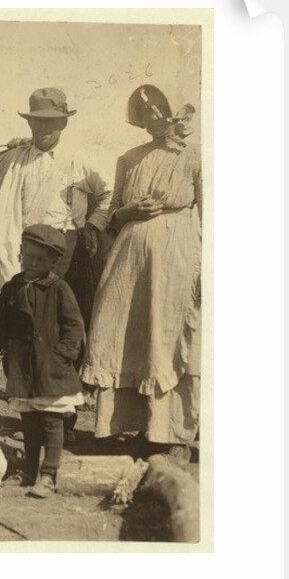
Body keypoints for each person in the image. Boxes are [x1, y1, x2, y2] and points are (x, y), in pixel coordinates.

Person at [81, 85, 201, 462]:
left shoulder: (195, 155)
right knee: (122, 331)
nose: (152, 118)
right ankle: (127, 427)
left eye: (157, 110)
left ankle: (168, 431)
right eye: (143, 113)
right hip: (129, 256)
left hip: (175, 252)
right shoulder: (129, 158)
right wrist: (128, 211)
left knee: (164, 333)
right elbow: (113, 213)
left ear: (170, 111)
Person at [0, 87, 110, 322]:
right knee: (24, 310)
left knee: (57, 312)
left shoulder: (77, 159)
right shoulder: (15, 159)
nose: (43, 129)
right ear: (30, 124)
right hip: (23, 246)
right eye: (37, 122)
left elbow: (109, 193)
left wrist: (93, 225)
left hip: (64, 248)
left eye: (51, 123)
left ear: (63, 123)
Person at [0, 225, 85, 498]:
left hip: (51, 367)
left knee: (52, 421)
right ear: (21, 252)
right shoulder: (12, 287)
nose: (34, 263)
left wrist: (62, 354)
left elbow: (74, 325)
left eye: (42, 260)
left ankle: (48, 474)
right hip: (22, 365)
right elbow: (2, 321)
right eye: (30, 256)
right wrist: (5, 348)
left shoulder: (59, 289)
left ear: (53, 262)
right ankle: (29, 470)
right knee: (29, 421)